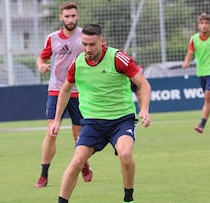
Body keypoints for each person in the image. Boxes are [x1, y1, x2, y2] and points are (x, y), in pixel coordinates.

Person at [50, 24, 151, 203]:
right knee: (76, 162)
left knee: (125, 155)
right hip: (92, 123)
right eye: (84, 44)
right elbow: (65, 90)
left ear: (102, 42)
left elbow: (143, 84)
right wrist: (57, 119)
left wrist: (144, 109)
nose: (87, 49)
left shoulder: (118, 58)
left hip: (121, 121)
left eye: (92, 45)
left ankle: (129, 198)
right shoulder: (78, 63)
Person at [35, 1, 92, 188]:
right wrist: (41, 65)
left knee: (79, 135)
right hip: (56, 90)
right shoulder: (52, 38)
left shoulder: (84, 36)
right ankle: (43, 174)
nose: (70, 19)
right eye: (67, 16)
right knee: (52, 132)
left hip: (79, 92)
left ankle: (83, 164)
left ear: (78, 16)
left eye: (73, 16)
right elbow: (41, 57)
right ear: (61, 18)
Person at [182, 12, 210, 134]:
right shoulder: (194, 39)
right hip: (202, 73)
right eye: (202, 23)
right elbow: (190, 52)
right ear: (198, 25)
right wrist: (186, 62)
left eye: (207, 23)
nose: (204, 25)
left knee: (208, 97)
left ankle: (201, 124)